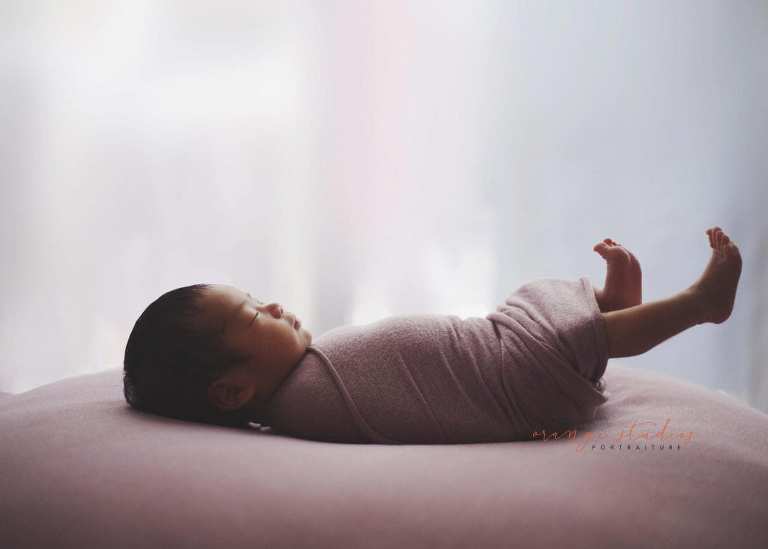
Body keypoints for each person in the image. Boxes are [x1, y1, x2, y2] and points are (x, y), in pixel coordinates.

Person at [123, 226, 742, 443]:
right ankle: (697, 304)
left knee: (555, 325)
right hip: (508, 377)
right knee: (560, 338)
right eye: (253, 316)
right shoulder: (302, 408)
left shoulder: (299, 388)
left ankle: (607, 312)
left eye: (257, 298)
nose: (275, 304)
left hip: (496, 359)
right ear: (232, 392)